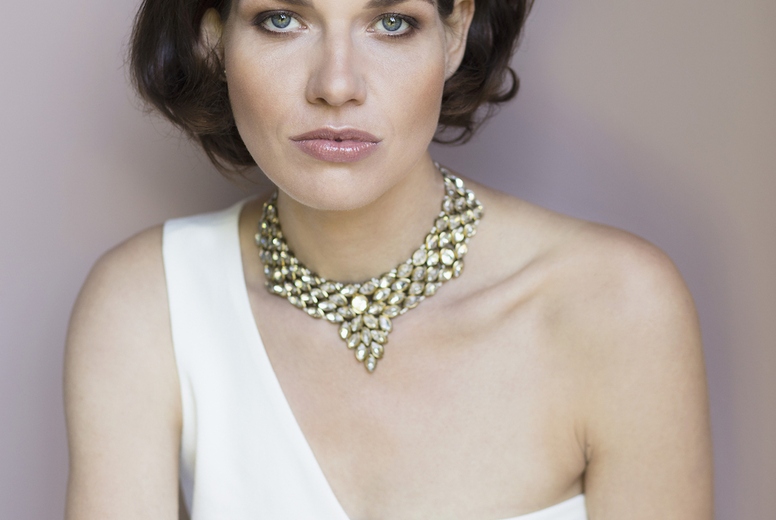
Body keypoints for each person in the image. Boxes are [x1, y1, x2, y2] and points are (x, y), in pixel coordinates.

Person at [63, 0, 714, 518]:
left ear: (455, 31)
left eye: (392, 22)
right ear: (214, 37)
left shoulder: (617, 306)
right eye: (282, 19)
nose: (336, 85)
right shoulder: (148, 305)